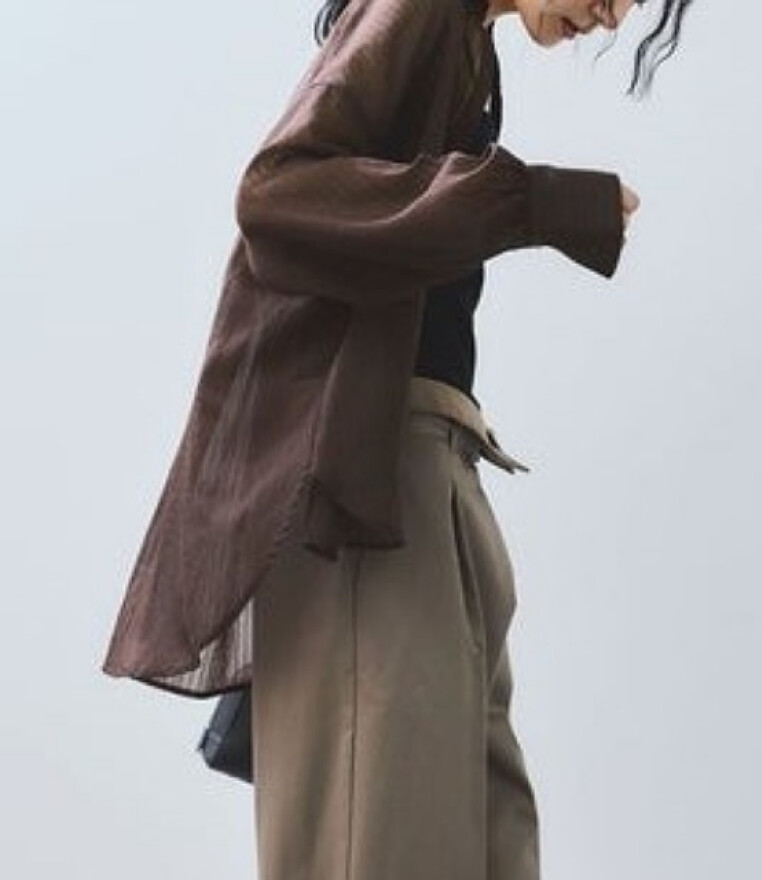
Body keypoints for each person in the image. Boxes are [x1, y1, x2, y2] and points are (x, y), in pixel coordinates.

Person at [100, 0, 693, 877]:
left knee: (482, 841)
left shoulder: (465, 45)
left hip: (433, 466)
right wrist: (537, 201)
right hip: (372, 484)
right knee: (387, 841)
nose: (618, 13)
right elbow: (276, 192)